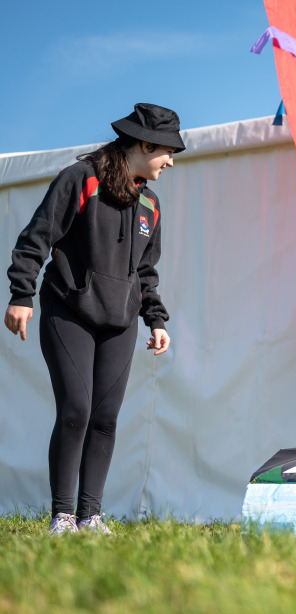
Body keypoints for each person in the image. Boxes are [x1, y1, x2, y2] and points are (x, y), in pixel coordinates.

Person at [5, 103, 183, 535]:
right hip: (69, 310)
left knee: (105, 417)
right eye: (167, 151)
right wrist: (21, 294)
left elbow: (145, 271)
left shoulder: (150, 205)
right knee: (76, 409)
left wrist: (156, 319)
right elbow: (37, 236)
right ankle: (63, 515)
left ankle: (91, 516)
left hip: (120, 320)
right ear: (144, 144)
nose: (171, 161)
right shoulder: (80, 179)